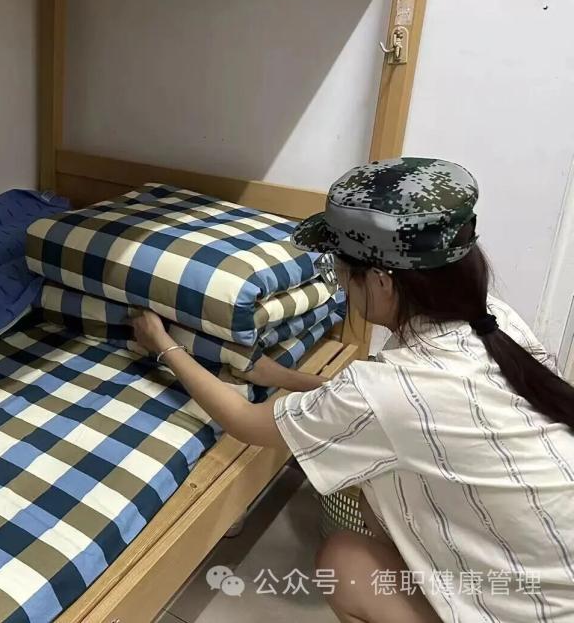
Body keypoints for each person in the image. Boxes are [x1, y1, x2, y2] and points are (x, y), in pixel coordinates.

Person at [131, 158, 574, 623]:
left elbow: (246, 422)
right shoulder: (495, 321)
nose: (340, 285)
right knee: (373, 495)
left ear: (381, 281)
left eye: (342, 273)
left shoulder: (386, 389)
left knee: (343, 563)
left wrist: (163, 344)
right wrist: (281, 377)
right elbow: (387, 408)